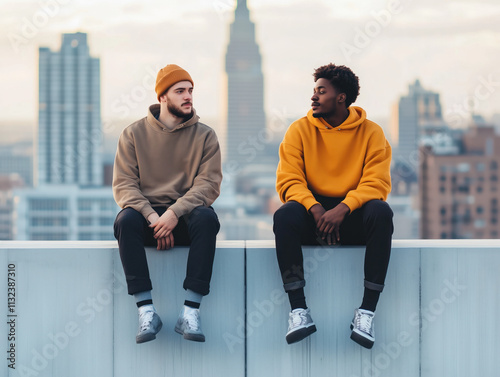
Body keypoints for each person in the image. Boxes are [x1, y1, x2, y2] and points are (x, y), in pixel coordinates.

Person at [273, 63, 393, 349]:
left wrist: (344, 208)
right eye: (314, 91)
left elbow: (377, 183)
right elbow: (289, 180)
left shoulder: (371, 132)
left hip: (350, 218)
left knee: (381, 212)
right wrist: (317, 210)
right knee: (285, 215)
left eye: (321, 91)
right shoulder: (299, 130)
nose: (313, 97)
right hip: (314, 218)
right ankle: (298, 311)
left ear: (341, 98)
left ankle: (366, 313)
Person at [113, 64, 222, 344]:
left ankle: (190, 311)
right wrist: (154, 218)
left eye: (190, 91)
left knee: (207, 218)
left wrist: (174, 213)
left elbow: (208, 185)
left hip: (184, 218)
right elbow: (124, 185)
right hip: (148, 221)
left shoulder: (205, 136)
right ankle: (146, 310)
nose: (188, 97)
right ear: (162, 96)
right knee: (125, 220)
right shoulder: (133, 134)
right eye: (180, 91)